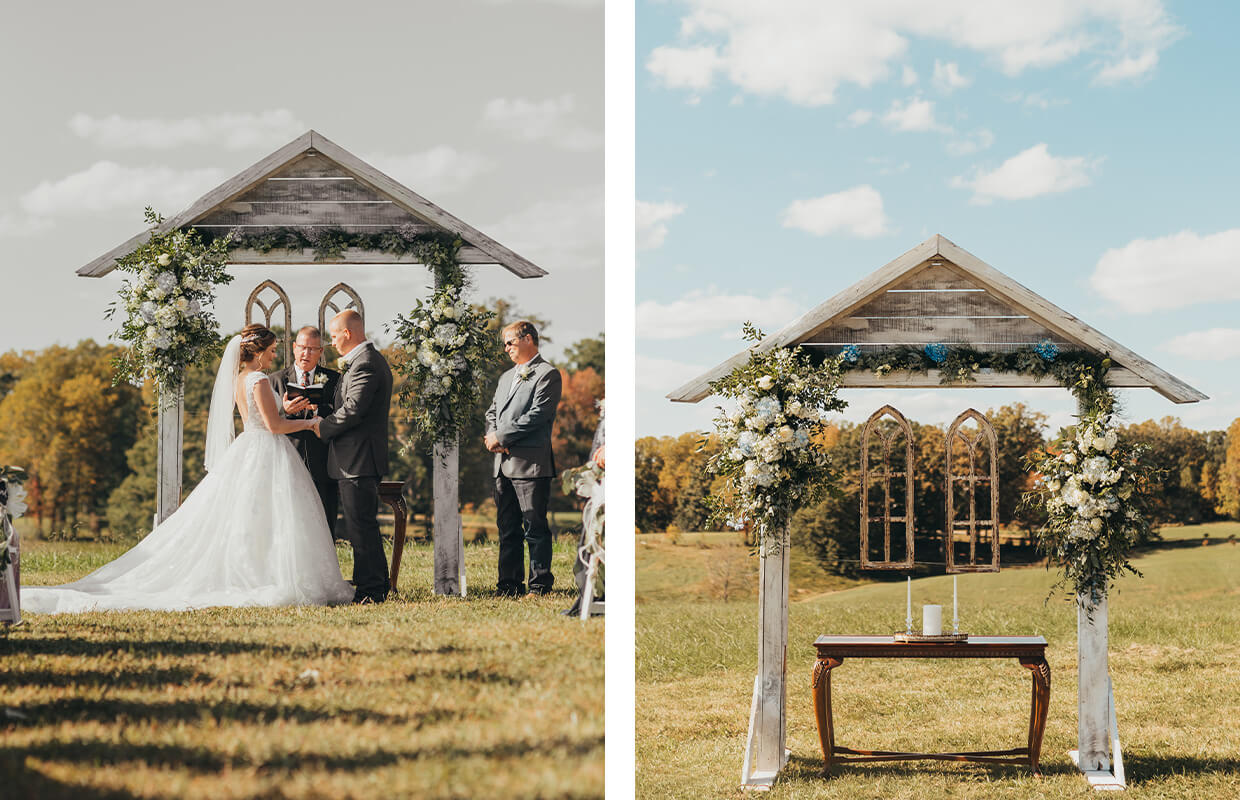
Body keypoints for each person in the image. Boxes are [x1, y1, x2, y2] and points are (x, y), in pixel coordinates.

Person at [21, 324, 354, 614]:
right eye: (269, 351)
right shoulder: (261, 379)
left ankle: (258, 570)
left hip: (249, 448)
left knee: (248, 517)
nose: (271, 358)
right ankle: (271, 574)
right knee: (274, 516)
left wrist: (283, 406)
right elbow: (275, 426)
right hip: (267, 450)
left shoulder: (242, 378)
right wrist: (311, 422)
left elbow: (259, 416)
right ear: (259, 352)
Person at [313, 310, 393, 604]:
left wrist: (321, 427)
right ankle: (376, 584)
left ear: (347, 333)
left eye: (334, 336)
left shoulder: (366, 364)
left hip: (359, 458)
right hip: (354, 458)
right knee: (362, 524)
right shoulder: (361, 362)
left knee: (361, 526)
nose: (332, 343)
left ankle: (371, 590)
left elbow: (353, 411)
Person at [484, 320, 562, 596]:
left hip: (530, 465)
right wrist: (492, 435)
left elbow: (538, 416)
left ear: (528, 339)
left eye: (510, 343)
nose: (506, 349)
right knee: (507, 529)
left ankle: (540, 585)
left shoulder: (547, 374)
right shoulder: (506, 377)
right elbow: (492, 412)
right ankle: (508, 585)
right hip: (502, 466)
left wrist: (502, 438)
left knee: (535, 528)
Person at [271, 326, 341, 540]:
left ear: (321, 351)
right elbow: (266, 421)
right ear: (293, 348)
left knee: (324, 527)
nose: (306, 354)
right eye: (302, 348)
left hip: (323, 463)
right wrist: (284, 410)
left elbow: (342, 416)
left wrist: (319, 410)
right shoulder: (275, 380)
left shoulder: (335, 379)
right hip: (288, 462)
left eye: (312, 349)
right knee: (288, 526)